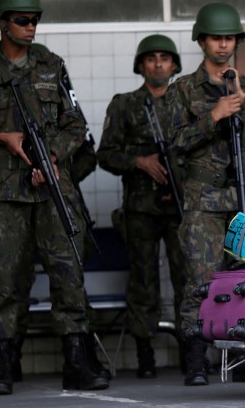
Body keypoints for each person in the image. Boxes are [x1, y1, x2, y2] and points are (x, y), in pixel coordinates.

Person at [0, 0, 109, 394]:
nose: (31, 26)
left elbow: (76, 125)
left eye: (35, 19)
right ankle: (2, 368)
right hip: (5, 195)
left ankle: (76, 364)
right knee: (4, 280)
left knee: (68, 275)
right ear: (2, 23)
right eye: (22, 20)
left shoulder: (52, 65)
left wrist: (50, 157)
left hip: (51, 190)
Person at [170, 2, 245, 386]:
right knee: (201, 279)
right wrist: (213, 116)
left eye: (230, 38)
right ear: (202, 41)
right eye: (217, 37)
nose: (224, 44)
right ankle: (196, 359)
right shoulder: (183, 90)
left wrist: (242, 105)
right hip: (204, 203)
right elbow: (175, 143)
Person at [97, 34, 187, 379]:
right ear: (141, 66)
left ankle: (190, 351)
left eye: (165, 58)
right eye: (151, 59)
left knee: (187, 280)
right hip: (140, 209)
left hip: (180, 207)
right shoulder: (124, 104)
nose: (158, 64)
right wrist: (139, 161)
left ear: (175, 65)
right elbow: (104, 154)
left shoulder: (186, 103)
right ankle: (145, 354)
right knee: (143, 282)